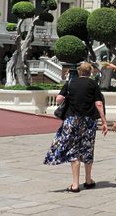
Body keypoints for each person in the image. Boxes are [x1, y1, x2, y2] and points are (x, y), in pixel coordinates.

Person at [44, 62, 107, 192]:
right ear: (90, 72)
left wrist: (69, 96)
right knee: (87, 148)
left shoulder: (71, 83)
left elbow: (58, 100)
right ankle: (88, 180)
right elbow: (99, 104)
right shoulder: (93, 84)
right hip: (88, 121)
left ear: (79, 71)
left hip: (72, 120)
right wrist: (104, 121)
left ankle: (75, 184)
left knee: (74, 150)